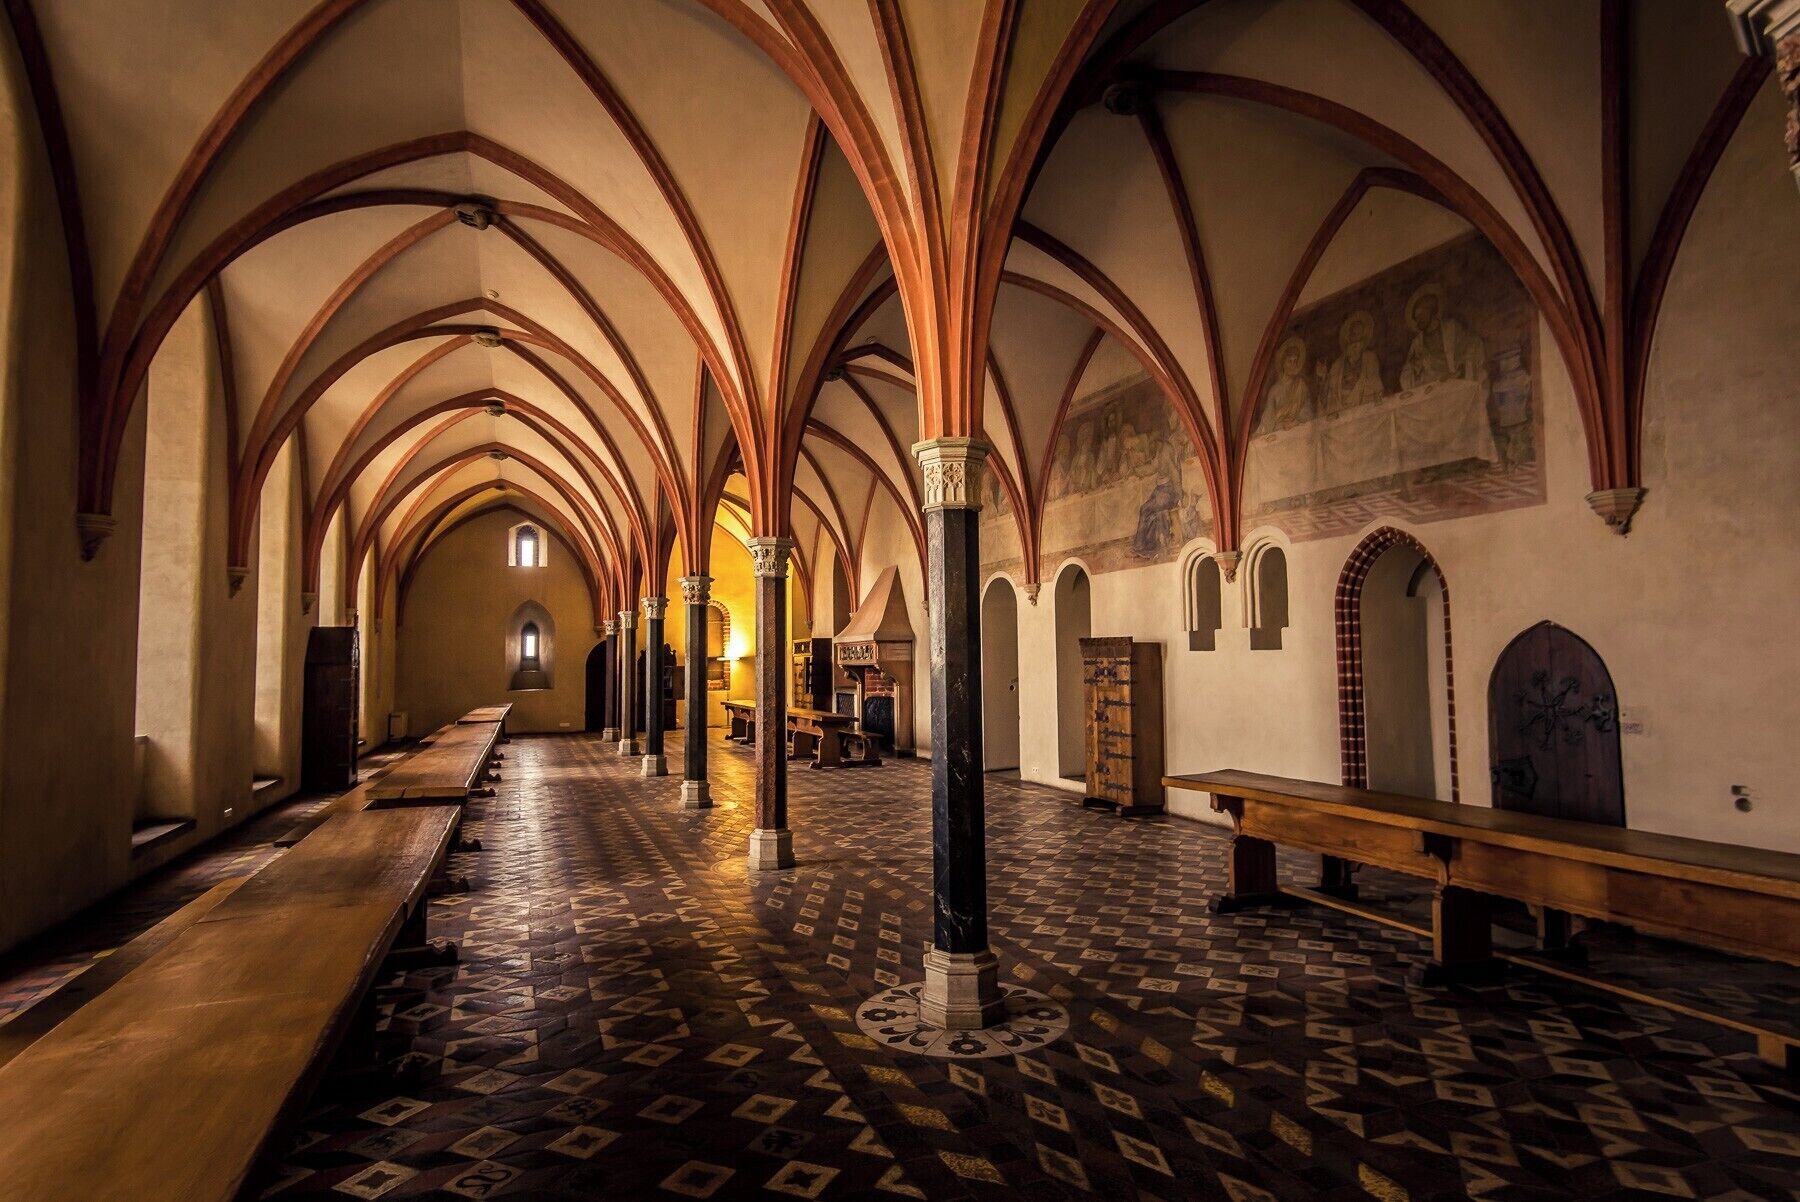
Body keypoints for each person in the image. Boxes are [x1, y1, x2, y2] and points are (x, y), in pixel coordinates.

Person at [1400, 282, 1488, 394]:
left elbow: (1474, 345)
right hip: (1431, 390)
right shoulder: (1417, 343)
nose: (1418, 321)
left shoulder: (1452, 328)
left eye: (1421, 316)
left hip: (1455, 382)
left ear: (1432, 311)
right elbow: (1406, 373)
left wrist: (1461, 369)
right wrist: (1415, 371)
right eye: (1416, 318)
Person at [1317, 310, 1385, 414]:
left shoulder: (1370, 358)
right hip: (1339, 412)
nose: (1354, 338)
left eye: (1357, 334)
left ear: (1363, 336)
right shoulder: (1337, 364)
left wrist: (1356, 380)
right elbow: (1326, 397)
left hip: (1364, 409)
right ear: (1347, 336)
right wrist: (1323, 378)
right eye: (1352, 333)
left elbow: (1376, 386)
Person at [1260, 335, 1316, 432]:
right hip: (1280, 432)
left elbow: (1308, 412)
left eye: (1295, 361)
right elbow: (1268, 419)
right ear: (1283, 363)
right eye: (1290, 361)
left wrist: (1296, 421)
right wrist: (1280, 425)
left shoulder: (1301, 385)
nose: (1293, 365)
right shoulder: (1274, 390)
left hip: (1299, 429)